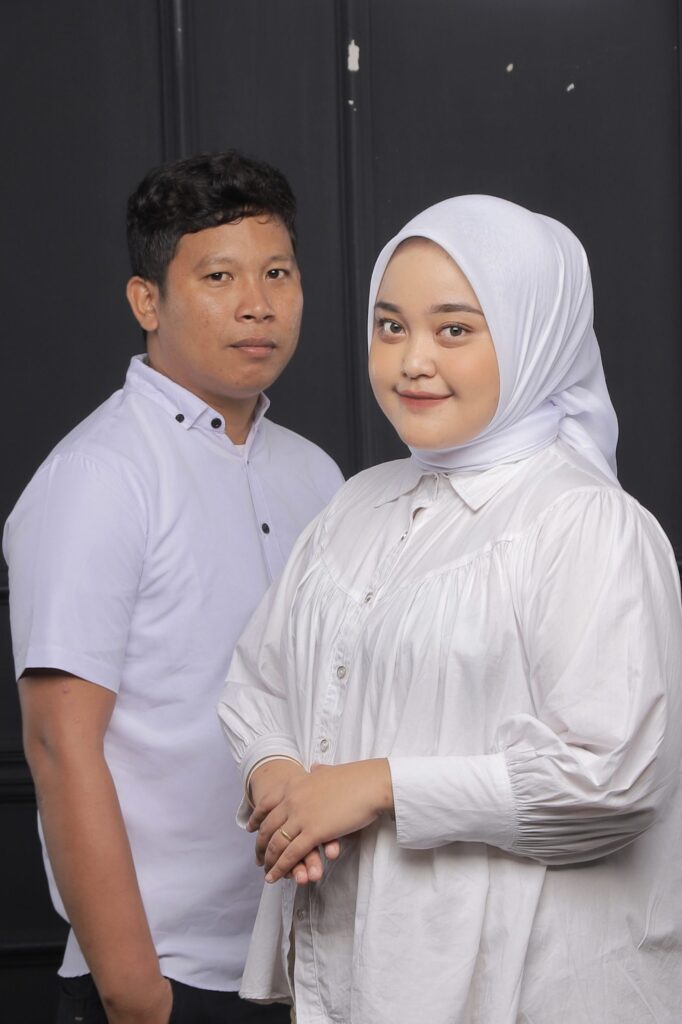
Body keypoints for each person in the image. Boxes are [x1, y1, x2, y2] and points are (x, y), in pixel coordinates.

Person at [219, 195, 682, 1024]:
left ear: (536, 335)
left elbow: (614, 781)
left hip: (532, 991)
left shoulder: (586, 524)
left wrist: (378, 786)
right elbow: (260, 680)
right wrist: (278, 774)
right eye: (390, 326)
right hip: (363, 978)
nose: (412, 362)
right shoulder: (357, 505)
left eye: (455, 329)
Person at [3, 151, 343, 1024]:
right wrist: (138, 996)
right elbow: (58, 745)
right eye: (219, 277)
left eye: (277, 273)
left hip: (314, 964)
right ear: (146, 300)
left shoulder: (318, 477)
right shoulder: (99, 476)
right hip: (171, 979)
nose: (257, 304)